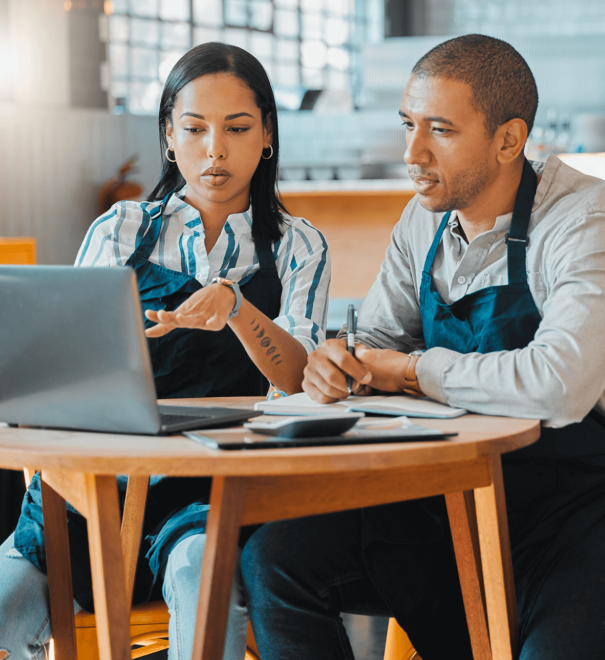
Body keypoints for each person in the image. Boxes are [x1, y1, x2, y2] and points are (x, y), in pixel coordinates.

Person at [240, 35, 605, 660]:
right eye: (407, 125)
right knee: (276, 558)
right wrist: (339, 367)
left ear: (508, 139)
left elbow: (558, 385)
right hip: (455, 506)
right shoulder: (423, 219)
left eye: (440, 130)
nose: (412, 153)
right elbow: (375, 341)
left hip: (596, 517)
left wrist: (411, 371)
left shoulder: (585, 221)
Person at [0, 43, 330, 660]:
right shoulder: (120, 229)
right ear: (169, 138)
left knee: (201, 577)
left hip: (206, 501)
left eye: (237, 128)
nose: (215, 150)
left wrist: (236, 308)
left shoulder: (297, 247)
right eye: (195, 128)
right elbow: (62, 370)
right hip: (87, 498)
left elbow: (301, 377)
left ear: (267, 138)